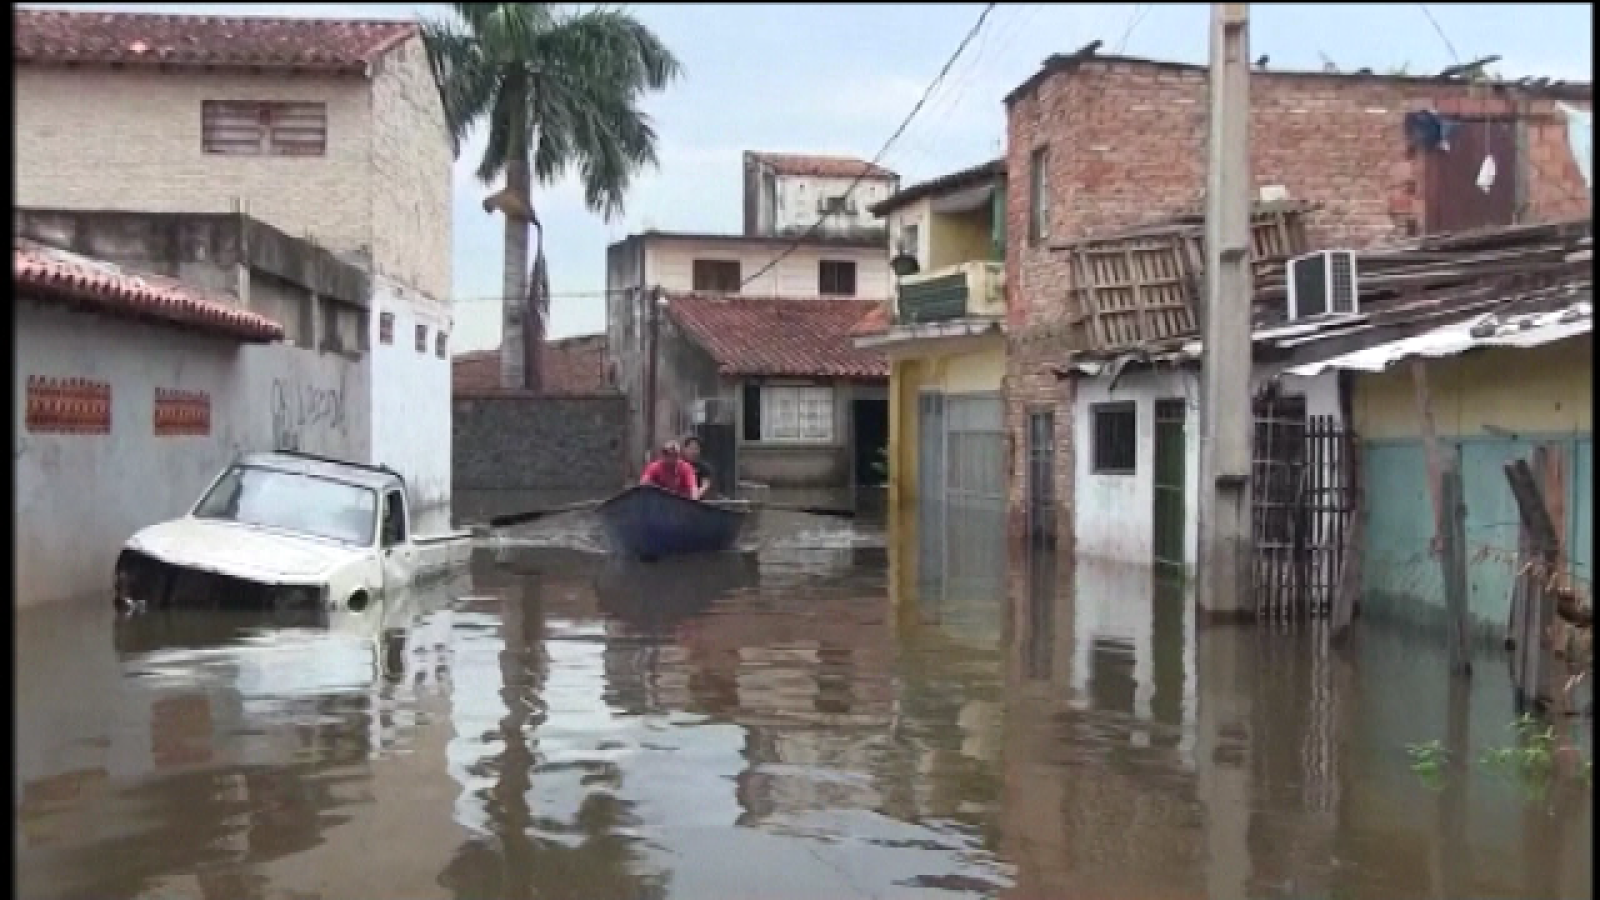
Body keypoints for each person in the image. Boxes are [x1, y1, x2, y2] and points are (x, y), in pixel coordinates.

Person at [681, 435, 715, 501]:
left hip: (698, 502)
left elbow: (705, 485)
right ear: (685, 449)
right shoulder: (679, 465)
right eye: (691, 448)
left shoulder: (704, 467)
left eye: (696, 448)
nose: (694, 452)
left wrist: (695, 497)